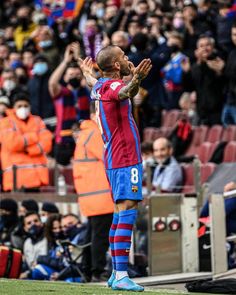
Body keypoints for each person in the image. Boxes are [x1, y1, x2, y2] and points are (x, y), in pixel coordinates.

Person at [79, 45, 152, 291]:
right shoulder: (113, 87)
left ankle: (114, 273)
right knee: (128, 211)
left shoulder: (99, 84)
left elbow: (91, 80)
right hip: (125, 157)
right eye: (123, 56)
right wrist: (137, 79)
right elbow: (126, 91)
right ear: (117, 66)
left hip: (113, 157)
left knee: (120, 212)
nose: (127, 57)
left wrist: (86, 71)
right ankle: (121, 275)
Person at [72, 102, 114, 282]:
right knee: (100, 236)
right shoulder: (96, 133)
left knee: (92, 234)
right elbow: (110, 159)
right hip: (101, 195)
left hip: (92, 196)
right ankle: (97, 271)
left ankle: (88, 271)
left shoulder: (86, 133)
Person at [0, 91, 53, 192]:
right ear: (14, 107)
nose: (23, 108)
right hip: (15, 181)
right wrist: (34, 137)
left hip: (37, 179)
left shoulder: (37, 120)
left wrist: (29, 150)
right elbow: (12, 143)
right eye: (19, 106)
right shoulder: (5, 122)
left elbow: (47, 143)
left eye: (25, 105)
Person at [49, 42, 90, 166]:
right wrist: (65, 62)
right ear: (65, 78)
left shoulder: (87, 91)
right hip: (64, 141)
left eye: (77, 75)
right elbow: (52, 83)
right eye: (71, 75)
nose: (75, 77)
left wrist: (79, 59)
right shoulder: (61, 93)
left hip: (85, 138)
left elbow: (91, 79)